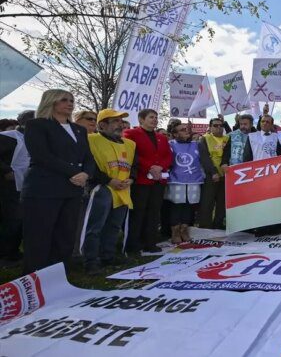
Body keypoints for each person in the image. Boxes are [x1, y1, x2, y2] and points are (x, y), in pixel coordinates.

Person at [21, 89, 95, 274]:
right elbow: (42, 155)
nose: (70, 103)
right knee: (40, 235)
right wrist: (74, 172)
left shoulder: (79, 129)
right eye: (64, 100)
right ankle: (35, 277)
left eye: (71, 100)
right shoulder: (37, 125)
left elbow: (88, 156)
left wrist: (86, 173)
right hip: (44, 189)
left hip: (72, 189)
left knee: (65, 235)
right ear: (51, 102)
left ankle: (59, 275)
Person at [81, 109, 135, 274]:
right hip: (101, 188)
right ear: (102, 125)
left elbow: (135, 165)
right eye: (115, 121)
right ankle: (91, 260)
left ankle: (108, 256)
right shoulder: (91, 140)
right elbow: (89, 164)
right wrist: (108, 180)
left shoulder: (129, 144)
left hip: (123, 190)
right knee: (95, 226)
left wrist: (132, 178)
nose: (120, 124)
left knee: (114, 225)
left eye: (121, 121)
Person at [123, 108, 173, 254]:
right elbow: (133, 155)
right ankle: (133, 245)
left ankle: (150, 243)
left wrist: (160, 167)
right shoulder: (131, 134)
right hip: (141, 180)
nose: (155, 120)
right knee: (139, 212)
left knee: (154, 212)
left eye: (156, 117)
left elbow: (168, 156)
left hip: (158, 181)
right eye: (151, 117)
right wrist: (149, 167)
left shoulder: (162, 138)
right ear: (141, 119)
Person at [0, 110, 34, 266]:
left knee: (23, 220)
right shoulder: (8, 137)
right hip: (9, 186)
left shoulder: (34, 139)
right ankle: (6, 255)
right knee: (12, 220)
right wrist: (6, 170)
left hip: (28, 184)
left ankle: (14, 252)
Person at [166, 121, 205, 244]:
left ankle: (184, 230)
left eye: (186, 128)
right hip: (177, 180)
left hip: (194, 180)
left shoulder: (196, 144)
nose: (186, 131)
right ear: (175, 134)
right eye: (182, 130)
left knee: (189, 206)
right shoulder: (170, 144)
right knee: (177, 206)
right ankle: (175, 232)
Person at [197, 117, 229, 229]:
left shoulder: (227, 138)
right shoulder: (204, 138)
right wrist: (213, 172)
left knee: (222, 202)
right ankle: (205, 226)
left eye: (221, 125)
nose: (219, 127)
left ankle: (218, 224)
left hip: (225, 175)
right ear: (210, 127)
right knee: (207, 202)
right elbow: (204, 157)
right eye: (215, 125)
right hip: (210, 175)